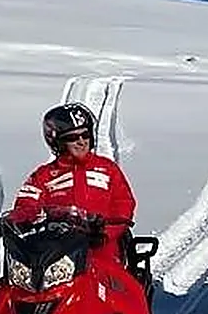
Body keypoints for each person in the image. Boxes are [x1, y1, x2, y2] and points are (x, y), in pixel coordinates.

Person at [9, 102, 140, 273]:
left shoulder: (107, 169)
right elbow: (26, 204)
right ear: (58, 141)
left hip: (102, 247)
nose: (81, 142)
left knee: (112, 284)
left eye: (85, 135)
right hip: (57, 250)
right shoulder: (43, 176)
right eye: (72, 138)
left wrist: (105, 232)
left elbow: (123, 203)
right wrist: (15, 220)